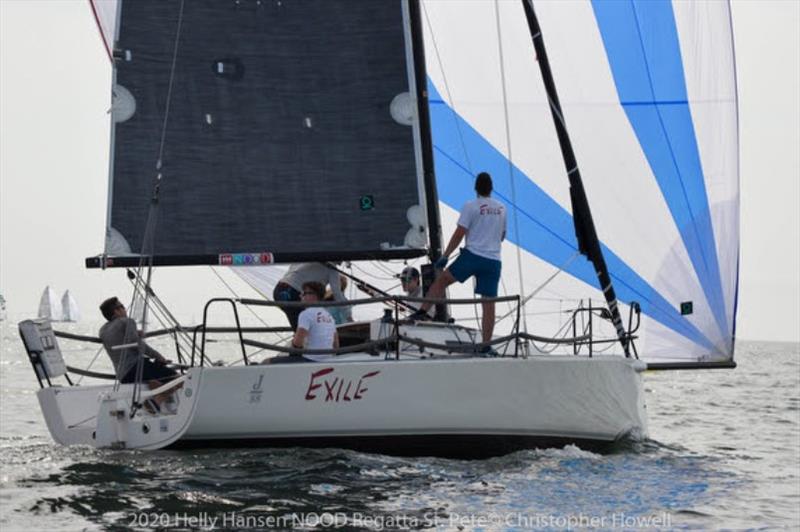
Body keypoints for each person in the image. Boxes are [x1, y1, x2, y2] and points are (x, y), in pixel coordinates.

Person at [410, 172, 506, 353]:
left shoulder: (470, 206)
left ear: (476, 188)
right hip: (493, 261)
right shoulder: (502, 208)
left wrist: (445, 255)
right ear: (491, 188)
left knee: (442, 280)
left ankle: (422, 311)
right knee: (489, 303)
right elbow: (502, 236)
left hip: (472, 256)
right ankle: (486, 345)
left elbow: (459, 233)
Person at [98, 297, 178, 411]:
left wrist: (134, 332)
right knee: (177, 378)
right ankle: (156, 401)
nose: (125, 309)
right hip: (137, 367)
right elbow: (136, 344)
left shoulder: (103, 330)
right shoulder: (128, 321)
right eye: (122, 307)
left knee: (154, 383)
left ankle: (159, 402)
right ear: (117, 311)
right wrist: (159, 356)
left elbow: (121, 338)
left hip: (123, 376)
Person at [273, 263, 349, 329]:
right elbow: (337, 294)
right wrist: (348, 317)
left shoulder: (308, 256)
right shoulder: (331, 269)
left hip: (279, 290)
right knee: (305, 328)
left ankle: (299, 339)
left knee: (302, 325)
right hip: (292, 294)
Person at [292, 281, 339, 362]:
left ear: (313, 296)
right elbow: (336, 345)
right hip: (328, 359)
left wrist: (293, 341)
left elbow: (298, 343)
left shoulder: (306, 314)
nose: (300, 296)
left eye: (304, 293)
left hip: (310, 360)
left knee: (268, 362)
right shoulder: (329, 316)